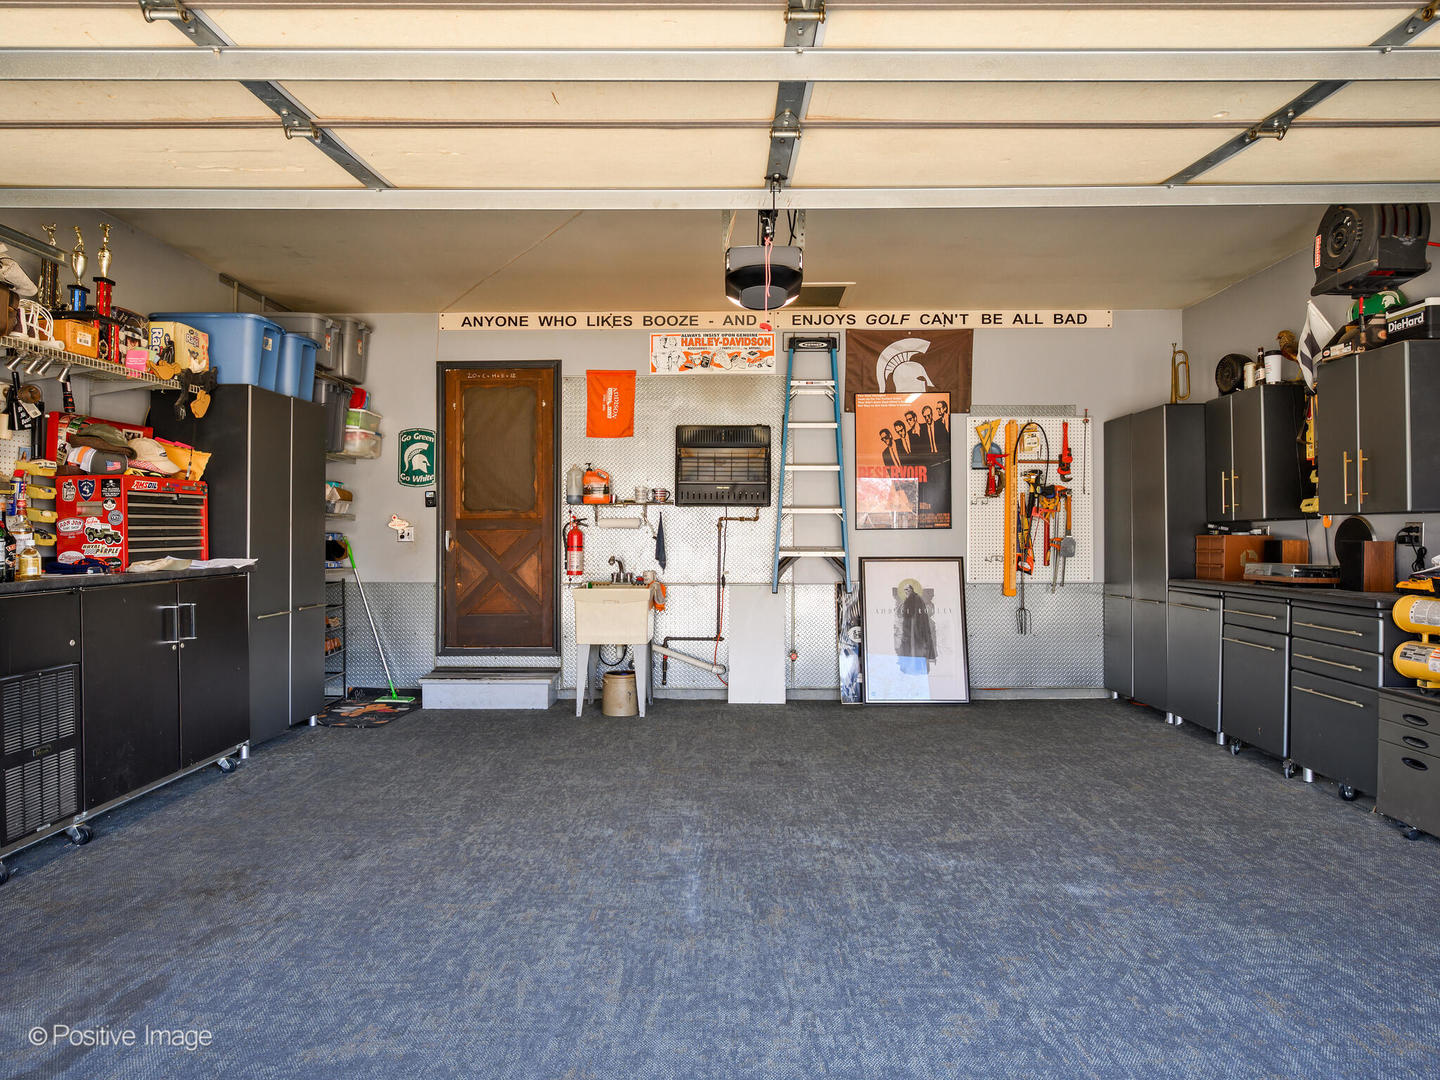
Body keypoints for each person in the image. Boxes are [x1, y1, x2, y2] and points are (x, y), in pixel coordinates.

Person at [896, 582, 937, 673]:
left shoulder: (917, 598)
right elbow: (902, 613)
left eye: (907, 589)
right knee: (909, 649)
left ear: (912, 589)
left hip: (916, 629)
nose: (906, 591)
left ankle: (918, 670)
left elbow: (919, 615)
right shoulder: (907, 599)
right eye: (905, 590)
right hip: (908, 629)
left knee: (917, 649)